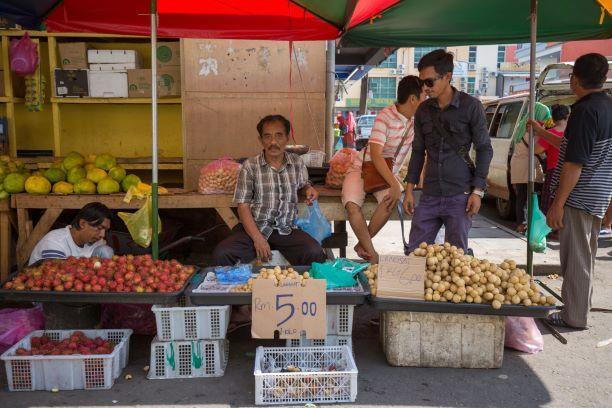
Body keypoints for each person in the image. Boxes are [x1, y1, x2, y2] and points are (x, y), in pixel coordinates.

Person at [545, 53, 611, 329]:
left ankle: (574, 315)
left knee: (576, 258)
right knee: (585, 255)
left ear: (574, 80)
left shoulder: (584, 111)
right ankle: (578, 306)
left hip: (581, 196)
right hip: (599, 194)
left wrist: (558, 203)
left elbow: (574, 163)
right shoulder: (608, 107)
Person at [403, 49, 493, 252]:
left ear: (448, 77)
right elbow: (418, 151)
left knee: (457, 259)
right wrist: (409, 190)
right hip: (430, 194)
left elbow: (484, 149)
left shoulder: (471, 107)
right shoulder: (423, 111)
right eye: (422, 83)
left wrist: (477, 191)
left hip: (460, 195)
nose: (425, 88)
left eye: (429, 82)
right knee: (415, 253)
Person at [213, 114, 327, 266]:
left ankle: (300, 288)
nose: (273, 142)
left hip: (286, 229)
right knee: (223, 254)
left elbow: (303, 185)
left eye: (279, 136)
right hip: (255, 228)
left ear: (287, 138)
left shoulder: (296, 162)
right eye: (267, 137)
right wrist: (258, 239)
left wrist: (308, 188)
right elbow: (243, 207)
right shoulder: (250, 166)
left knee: (315, 253)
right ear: (261, 140)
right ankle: (239, 288)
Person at [342, 76, 425, 263]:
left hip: (386, 173)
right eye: (424, 96)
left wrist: (400, 185)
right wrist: (394, 184)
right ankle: (372, 255)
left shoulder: (415, 122)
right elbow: (376, 154)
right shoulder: (385, 116)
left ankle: (363, 244)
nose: (425, 100)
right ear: (413, 99)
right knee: (352, 205)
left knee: (391, 200)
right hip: (362, 168)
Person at [510, 102, 552, 233]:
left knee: (521, 197)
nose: (546, 118)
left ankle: (520, 224)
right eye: (545, 115)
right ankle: (525, 225)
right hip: (528, 167)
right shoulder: (533, 129)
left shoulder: (522, 125)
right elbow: (538, 149)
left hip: (518, 165)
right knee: (530, 198)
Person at [29, 202, 114, 266]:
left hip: (80, 283)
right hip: (45, 285)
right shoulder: (55, 241)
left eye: (105, 230)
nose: (102, 235)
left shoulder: (97, 241)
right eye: (99, 228)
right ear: (82, 223)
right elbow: (54, 274)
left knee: (106, 251)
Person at [531, 104, 570, 215]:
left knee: (549, 204)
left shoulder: (550, 133)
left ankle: (550, 230)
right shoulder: (572, 132)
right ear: (567, 116)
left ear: (552, 118)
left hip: (553, 171)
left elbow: (537, 150)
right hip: (571, 172)